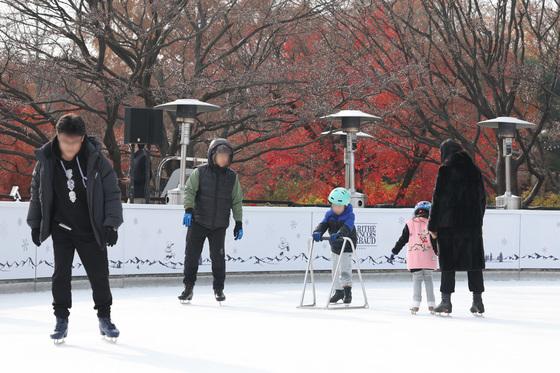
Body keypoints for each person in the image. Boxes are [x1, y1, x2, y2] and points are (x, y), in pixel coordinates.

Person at [26, 113, 123, 342]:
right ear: (57, 136)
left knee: (99, 275)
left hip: (91, 228)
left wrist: (111, 224)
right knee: (61, 275)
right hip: (61, 228)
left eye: (74, 142)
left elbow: (112, 193)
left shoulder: (97, 160)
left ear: (82, 139)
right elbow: (37, 193)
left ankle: (105, 318)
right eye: (65, 141)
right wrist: (35, 223)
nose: (69, 147)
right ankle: (61, 319)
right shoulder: (46, 160)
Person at [178, 138, 244, 303]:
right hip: (198, 221)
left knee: (218, 258)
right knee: (191, 256)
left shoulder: (232, 177)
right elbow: (190, 191)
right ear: (212, 155)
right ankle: (188, 288)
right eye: (220, 155)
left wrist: (239, 222)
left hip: (219, 225)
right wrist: (188, 210)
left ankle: (219, 289)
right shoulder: (199, 172)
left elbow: (237, 200)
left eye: (226, 156)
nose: (223, 158)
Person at [428, 139, 487, 315]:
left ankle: (446, 301)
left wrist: (433, 224)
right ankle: (478, 301)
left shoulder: (445, 169)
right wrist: (477, 220)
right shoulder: (475, 170)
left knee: (448, 264)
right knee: (474, 264)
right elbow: (483, 199)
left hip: (449, 224)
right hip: (471, 225)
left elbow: (437, 199)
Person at [390, 201, 438, 314]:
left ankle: (415, 304)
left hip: (415, 258)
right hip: (428, 258)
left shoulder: (410, 223)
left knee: (417, 280)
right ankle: (432, 304)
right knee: (428, 279)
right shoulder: (433, 223)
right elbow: (436, 240)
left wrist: (394, 251)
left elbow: (403, 239)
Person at [312, 187, 357, 304]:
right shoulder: (329, 214)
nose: (336, 208)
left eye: (339, 206)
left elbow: (347, 227)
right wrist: (318, 232)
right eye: (334, 205)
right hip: (335, 246)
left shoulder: (350, 215)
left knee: (345, 269)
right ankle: (338, 292)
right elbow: (323, 224)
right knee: (335, 270)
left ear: (345, 205)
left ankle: (347, 292)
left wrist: (339, 234)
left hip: (347, 245)